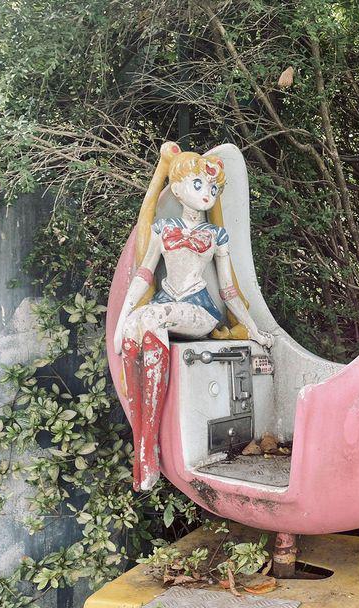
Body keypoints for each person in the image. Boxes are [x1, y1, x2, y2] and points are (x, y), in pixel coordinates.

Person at [113, 142, 272, 490]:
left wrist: (255, 330)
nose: (207, 194)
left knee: (151, 318)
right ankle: (145, 443)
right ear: (179, 186)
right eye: (199, 185)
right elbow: (144, 275)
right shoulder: (162, 229)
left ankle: (149, 452)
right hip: (165, 308)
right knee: (134, 330)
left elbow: (229, 291)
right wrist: (124, 316)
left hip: (200, 312)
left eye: (212, 188)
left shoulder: (216, 235)